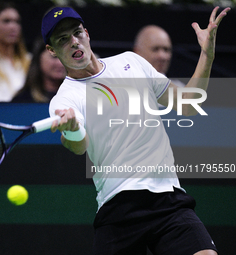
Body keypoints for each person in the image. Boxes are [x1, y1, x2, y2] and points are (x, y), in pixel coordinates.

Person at [42, 6, 230, 255]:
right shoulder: (65, 99)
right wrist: (73, 129)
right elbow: (79, 145)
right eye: (63, 40)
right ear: (52, 50)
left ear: (87, 33)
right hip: (119, 208)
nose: (74, 42)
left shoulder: (131, 62)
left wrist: (207, 54)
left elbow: (187, 105)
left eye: (77, 33)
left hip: (168, 199)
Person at [12, 37, 66, 103]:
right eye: (54, 57)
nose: (60, 63)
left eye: (65, 57)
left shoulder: (79, 97)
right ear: (38, 58)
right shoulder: (21, 102)